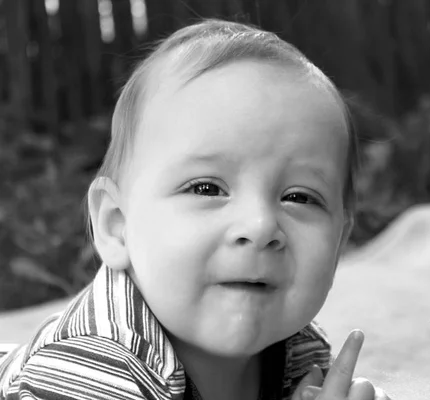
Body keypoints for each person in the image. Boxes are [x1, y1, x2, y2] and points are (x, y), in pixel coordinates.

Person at [0, 19, 389, 400]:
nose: (260, 225)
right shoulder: (95, 366)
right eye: (207, 188)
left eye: (300, 197)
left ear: (339, 241)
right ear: (117, 226)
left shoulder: (298, 349)